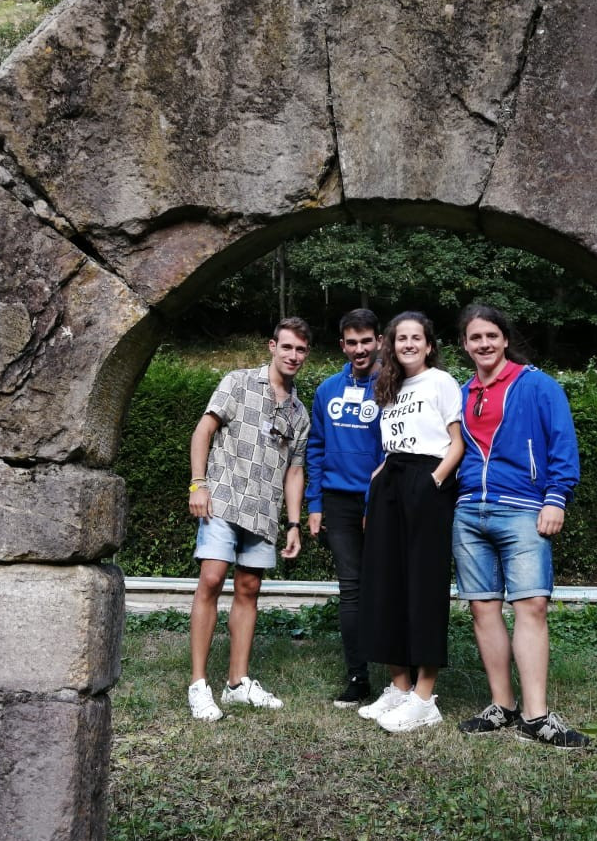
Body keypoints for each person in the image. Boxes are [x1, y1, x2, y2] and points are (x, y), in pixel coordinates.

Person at [452, 304, 588, 748]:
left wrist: (556, 498)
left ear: (504, 339)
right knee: (482, 608)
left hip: (524, 508)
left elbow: (562, 444)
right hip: (469, 510)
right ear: (465, 345)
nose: (484, 344)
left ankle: (535, 714)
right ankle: (502, 706)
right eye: (475, 338)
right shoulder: (460, 392)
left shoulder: (537, 385)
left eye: (491, 335)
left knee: (531, 606)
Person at [186, 318, 312, 722]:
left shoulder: (298, 413)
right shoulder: (237, 383)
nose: (293, 356)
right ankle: (199, 685)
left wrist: (293, 523)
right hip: (223, 498)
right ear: (272, 346)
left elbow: (295, 470)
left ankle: (237, 683)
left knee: (249, 587)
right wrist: (198, 484)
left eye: (301, 350)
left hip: (263, 511)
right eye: (288, 347)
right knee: (211, 578)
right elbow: (203, 431)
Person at [356, 311, 465, 733]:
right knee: (384, 583)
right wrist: (381, 475)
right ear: (391, 343)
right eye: (401, 338)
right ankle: (399, 688)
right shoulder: (389, 386)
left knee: (424, 585)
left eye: (415, 337)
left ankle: (424, 697)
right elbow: (391, 442)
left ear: (429, 344)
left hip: (427, 481)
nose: (408, 344)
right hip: (391, 483)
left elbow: (456, 443)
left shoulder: (441, 382)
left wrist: (435, 480)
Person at [306, 309, 384, 708]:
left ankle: (398, 678)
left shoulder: (392, 387)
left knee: (387, 587)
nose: (359, 349)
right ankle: (358, 677)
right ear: (342, 345)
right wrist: (314, 504)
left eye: (366, 341)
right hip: (337, 503)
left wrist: (375, 501)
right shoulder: (327, 390)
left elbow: (395, 450)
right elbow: (315, 448)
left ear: (379, 342)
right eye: (352, 342)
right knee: (350, 590)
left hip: (381, 502)